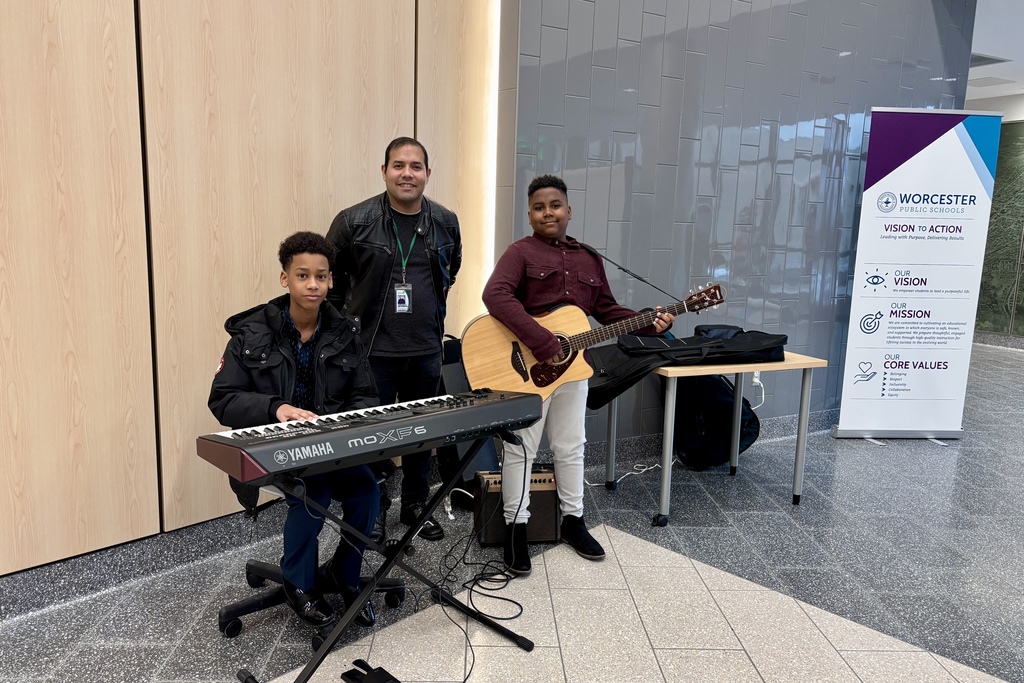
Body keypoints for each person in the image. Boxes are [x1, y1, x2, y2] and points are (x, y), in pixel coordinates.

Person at [482, 175, 674, 576]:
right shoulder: (519, 253)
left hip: (574, 370)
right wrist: (542, 341)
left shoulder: (589, 258)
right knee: (522, 449)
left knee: (572, 447)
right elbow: (495, 296)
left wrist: (647, 321)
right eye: (538, 207)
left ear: (569, 211)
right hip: (527, 368)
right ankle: (516, 529)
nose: (547, 212)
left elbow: (607, 312)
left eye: (555, 205)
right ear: (530, 214)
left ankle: (573, 521)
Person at [209, 231, 380, 627]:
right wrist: (276, 408)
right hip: (273, 449)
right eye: (303, 275)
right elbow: (223, 399)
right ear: (285, 278)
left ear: (331, 280)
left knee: (366, 490)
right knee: (313, 492)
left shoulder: (344, 333)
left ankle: (345, 573)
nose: (313, 285)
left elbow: (366, 396)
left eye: (322, 276)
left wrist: (343, 424)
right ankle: (298, 583)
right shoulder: (252, 333)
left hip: (330, 446)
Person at [326, 137, 462, 541]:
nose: (407, 173)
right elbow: (331, 282)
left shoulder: (445, 221)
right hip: (371, 353)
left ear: (427, 174)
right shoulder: (354, 221)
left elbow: (449, 271)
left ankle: (416, 508)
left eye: (416, 166)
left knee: (423, 435)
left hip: (425, 351)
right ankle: (378, 510)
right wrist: (345, 334)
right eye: (398, 165)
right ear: (383, 170)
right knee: (376, 440)